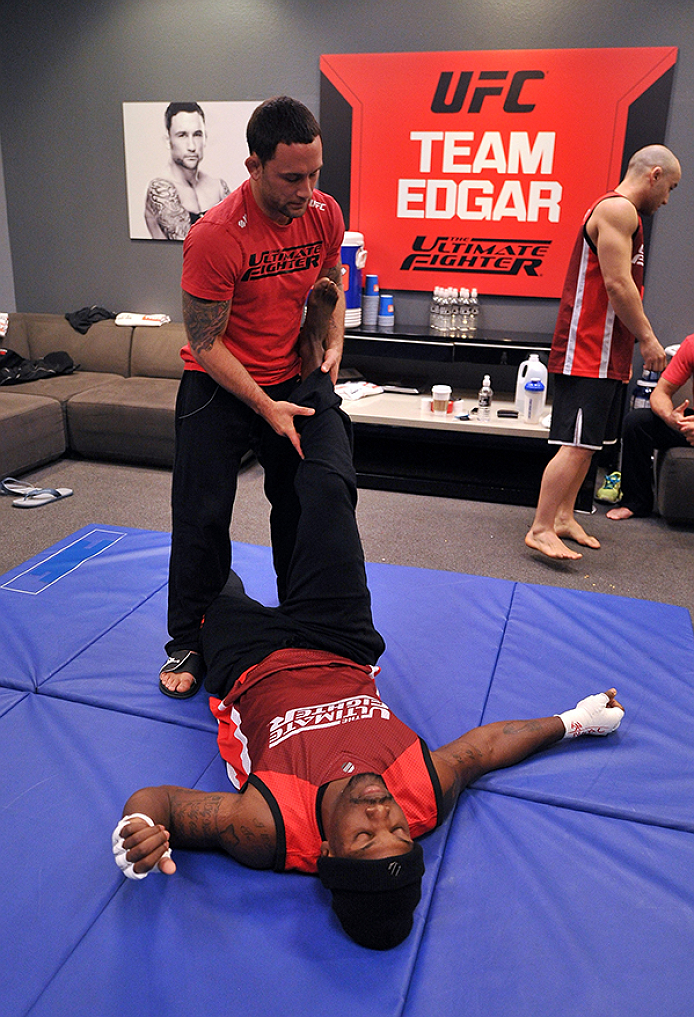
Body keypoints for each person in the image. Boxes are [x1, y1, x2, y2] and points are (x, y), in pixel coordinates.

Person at [114, 314, 625, 950]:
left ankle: (192, 628)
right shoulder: (420, 794)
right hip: (340, 642)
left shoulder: (264, 829)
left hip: (251, 662)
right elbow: (485, 748)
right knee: (326, 493)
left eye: (364, 835)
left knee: (207, 574)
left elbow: (158, 802)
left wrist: (140, 827)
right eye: (398, 833)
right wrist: (578, 721)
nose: (383, 816)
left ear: (327, 848)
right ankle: (313, 374)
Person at [160, 96, 346, 700]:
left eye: (315, 174)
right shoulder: (214, 236)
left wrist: (330, 342)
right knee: (201, 517)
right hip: (219, 386)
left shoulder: (323, 214)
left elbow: (327, 289)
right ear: (254, 166)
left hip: (290, 378)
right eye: (292, 177)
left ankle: (297, 621)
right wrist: (264, 405)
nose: (307, 190)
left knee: (299, 507)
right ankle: (189, 637)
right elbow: (205, 342)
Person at [525, 145, 681, 560]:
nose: (667, 199)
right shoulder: (617, 211)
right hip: (587, 348)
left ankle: (562, 517)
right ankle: (541, 527)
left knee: (591, 443)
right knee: (575, 444)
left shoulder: (626, 216)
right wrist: (647, 338)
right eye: (670, 188)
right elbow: (617, 284)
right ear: (654, 174)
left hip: (607, 351)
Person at [606, 335, 694, 519]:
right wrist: (672, 418)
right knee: (637, 422)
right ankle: (636, 502)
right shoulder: (691, 345)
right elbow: (660, 393)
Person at [144, 102, 231, 240]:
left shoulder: (218, 186)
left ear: (205, 138)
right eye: (182, 135)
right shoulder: (160, 189)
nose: (192, 146)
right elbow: (187, 242)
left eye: (197, 135)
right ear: (168, 140)